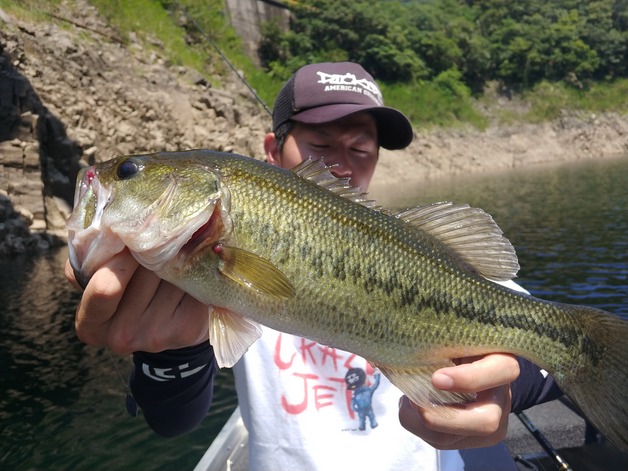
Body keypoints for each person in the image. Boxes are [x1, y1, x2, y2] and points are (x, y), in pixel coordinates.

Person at [65, 62, 562, 470]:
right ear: (271, 150)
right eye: (320, 145)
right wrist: (169, 357)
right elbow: (173, 420)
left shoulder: (429, 260)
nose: (342, 164)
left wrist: (496, 386)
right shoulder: (195, 267)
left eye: (361, 148)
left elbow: (550, 365)